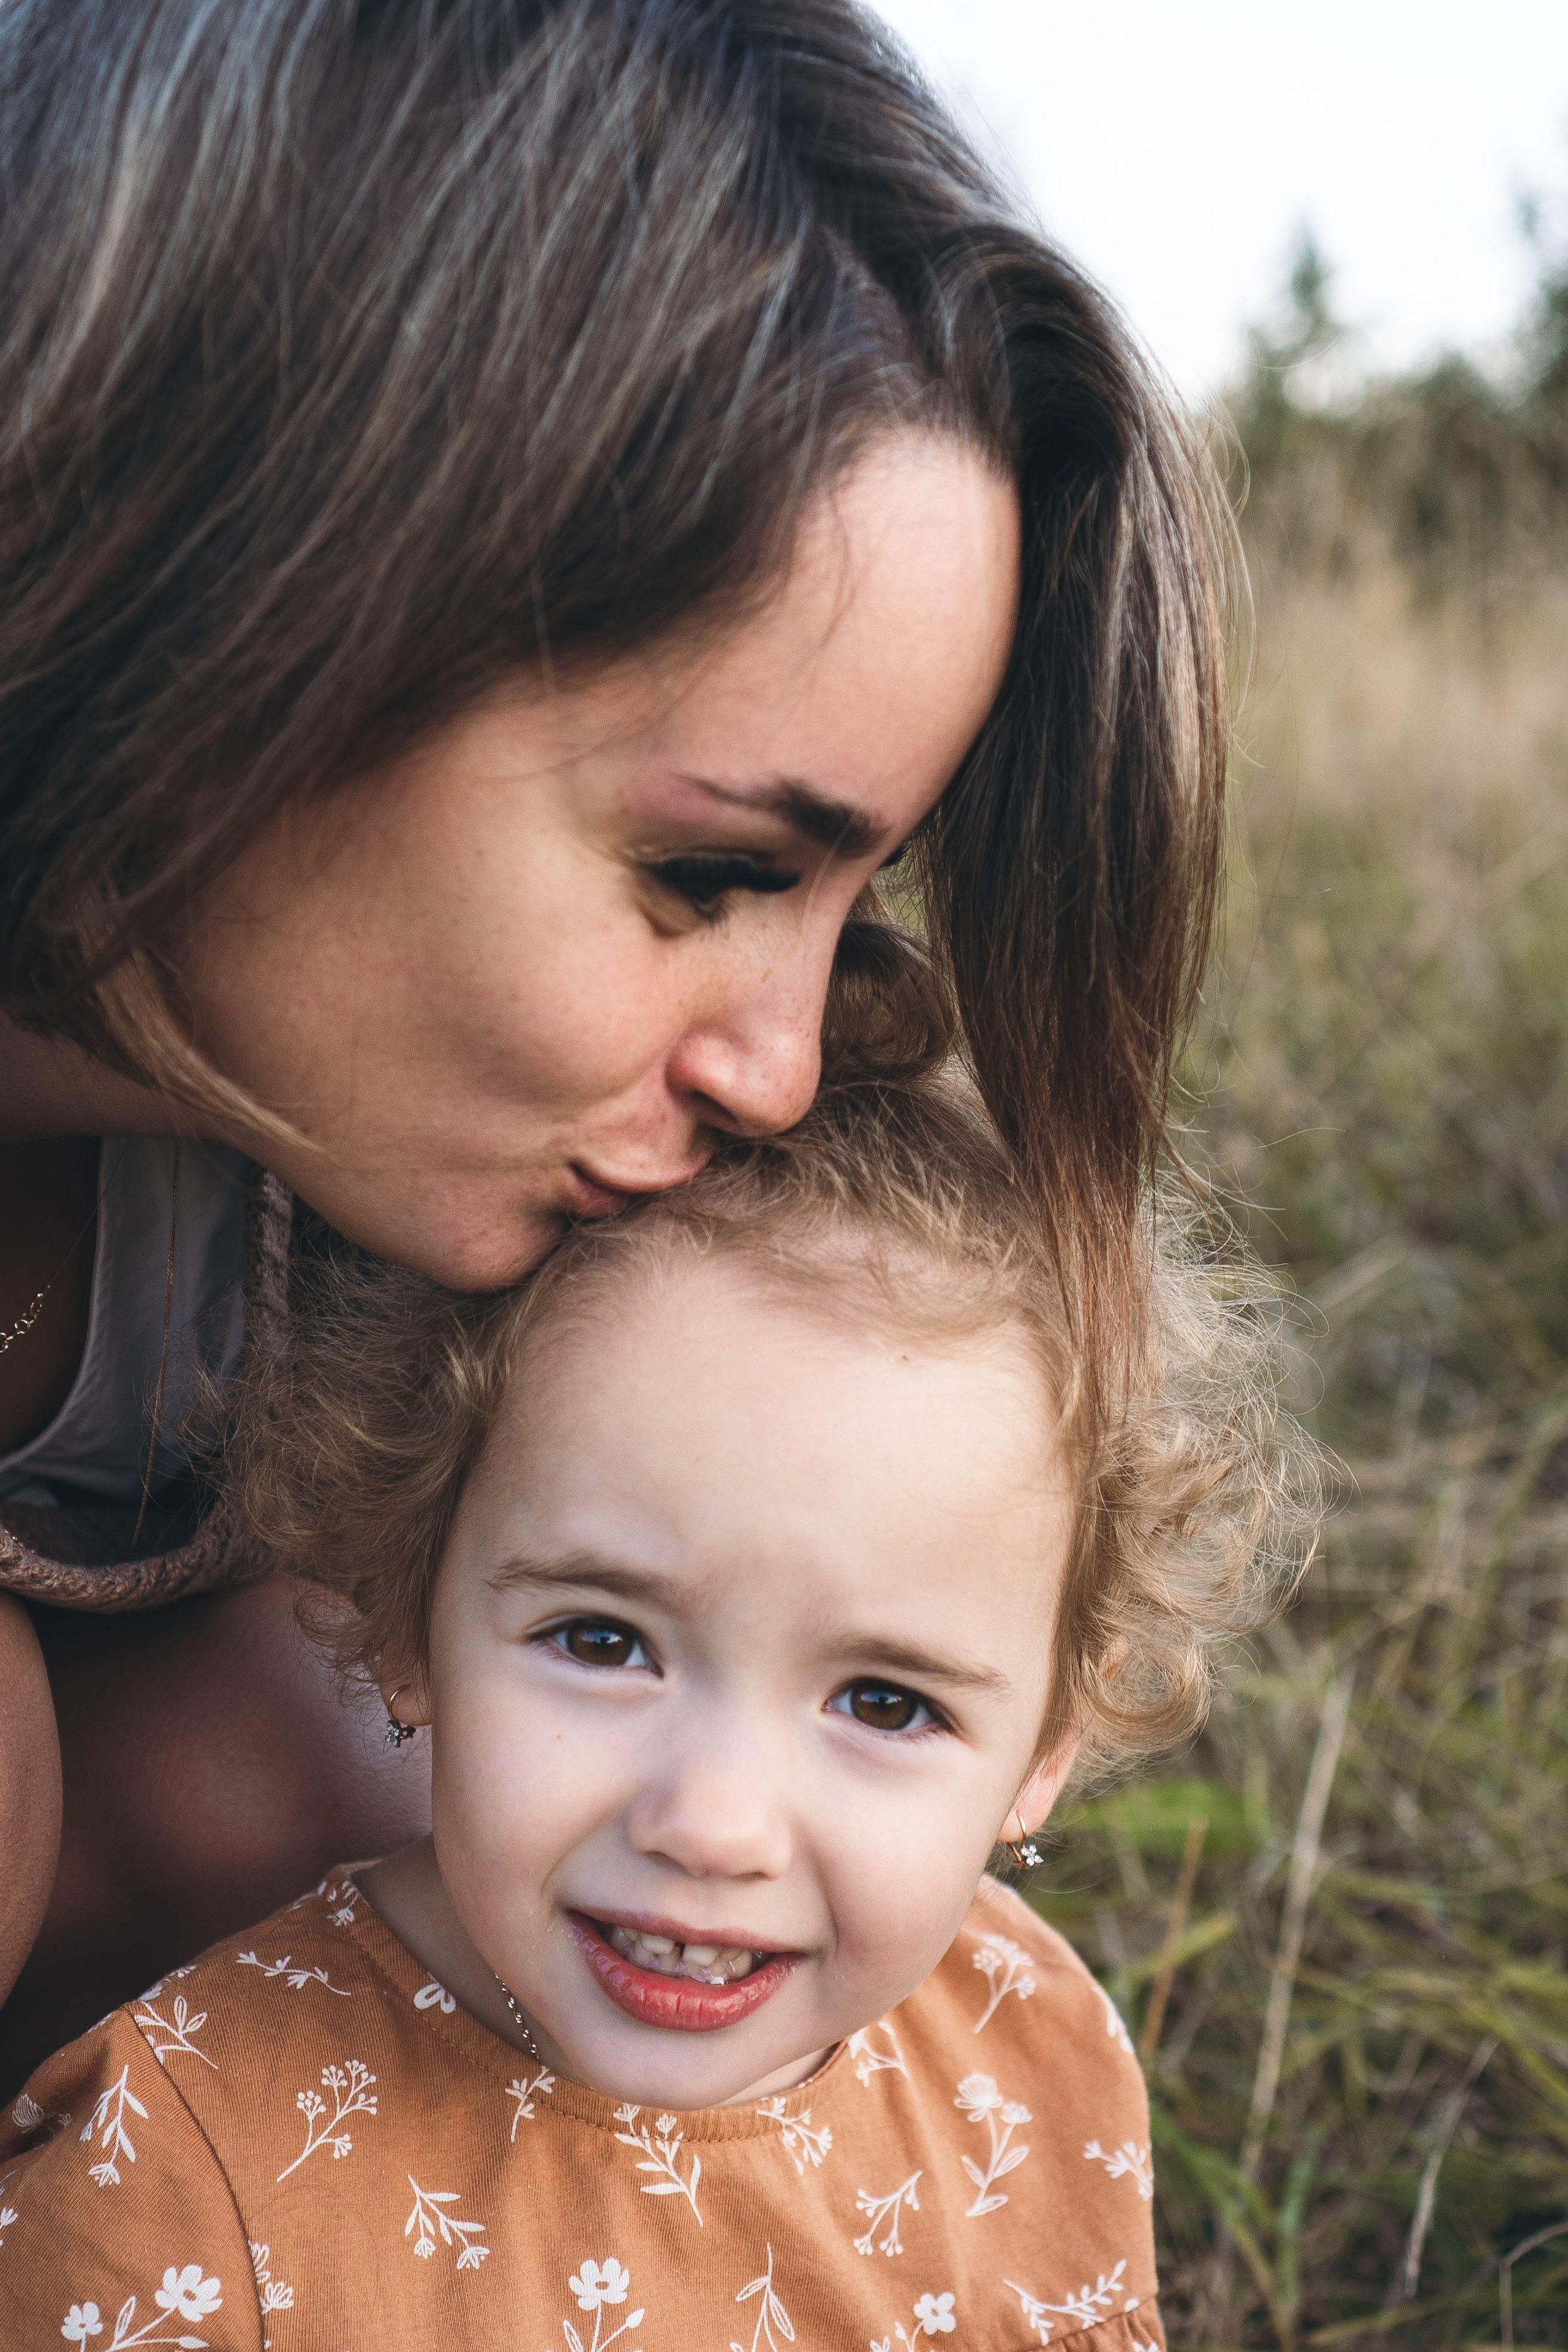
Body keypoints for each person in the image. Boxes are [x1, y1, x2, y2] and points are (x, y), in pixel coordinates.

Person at [0, 0, 1231, 2080]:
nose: (783, 1068)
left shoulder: (400, 1188)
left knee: (431, 1769)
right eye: (709, 873)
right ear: (263, 602)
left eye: (855, 902)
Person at [0, 979, 1312, 2351]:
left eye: (883, 1702)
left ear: (1043, 1753)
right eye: (602, 1640)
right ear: (404, 1622)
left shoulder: (1031, 2059)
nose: (712, 1825)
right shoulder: (173, 2207)